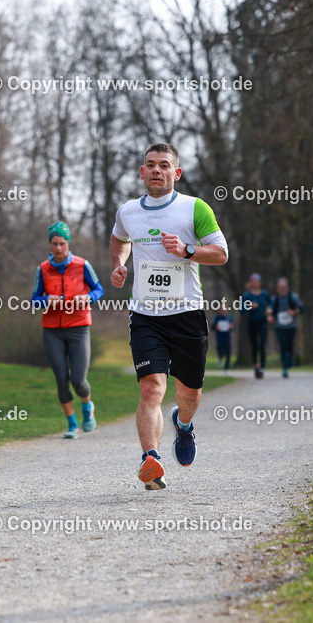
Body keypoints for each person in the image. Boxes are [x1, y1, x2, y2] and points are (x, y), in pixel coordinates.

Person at [110, 143, 229, 491]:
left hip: (187, 314)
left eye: (164, 165)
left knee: (188, 393)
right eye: (150, 165)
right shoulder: (128, 211)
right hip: (146, 315)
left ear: (176, 173)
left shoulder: (194, 208)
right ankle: (152, 459)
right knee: (151, 389)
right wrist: (118, 266)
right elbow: (119, 240)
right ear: (141, 172)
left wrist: (188, 250)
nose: (157, 170)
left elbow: (221, 253)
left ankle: (185, 425)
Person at [31, 221, 104, 438]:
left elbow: (98, 289)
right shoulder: (43, 269)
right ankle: (72, 425)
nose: (59, 248)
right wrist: (46, 300)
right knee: (61, 378)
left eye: (62, 243)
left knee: (78, 380)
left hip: (79, 329)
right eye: (54, 243)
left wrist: (87, 297)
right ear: (50, 244)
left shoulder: (82, 265)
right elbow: (34, 301)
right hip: (52, 331)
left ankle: (87, 407)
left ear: (68, 243)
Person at [270, 277, 303, 378]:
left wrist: (294, 312)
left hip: (291, 326)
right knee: (283, 346)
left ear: (287, 287)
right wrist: (270, 317)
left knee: (290, 345)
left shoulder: (293, 297)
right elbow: (270, 312)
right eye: (281, 287)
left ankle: (290, 359)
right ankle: (285, 368)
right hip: (279, 326)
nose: (282, 289)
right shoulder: (274, 299)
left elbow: (301, 309)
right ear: (277, 288)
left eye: (284, 287)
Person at [240, 273, 272, 379]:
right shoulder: (247, 295)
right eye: (253, 282)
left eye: (257, 281)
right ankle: (255, 365)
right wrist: (249, 306)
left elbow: (271, 303)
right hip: (252, 322)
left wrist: (269, 309)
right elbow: (241, 309)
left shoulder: (264, 294)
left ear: (260, 283)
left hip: (263, 322)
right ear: (251, 283)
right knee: (254, 345)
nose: (255, 284)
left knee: (262, 345)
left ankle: (262, 367)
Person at [212, 307, 234, 374]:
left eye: (224, 310)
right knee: (220, 351)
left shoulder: (229, 318)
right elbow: (212, 327)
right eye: (222, 310)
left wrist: (231, 326)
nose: (223, 311)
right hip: (219, 338)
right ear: (219, 311)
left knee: (228, 354)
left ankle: (226, 368)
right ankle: (220, 359)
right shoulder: (216, 318)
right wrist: (216, 327)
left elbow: (233, 326)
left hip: (227, 338)